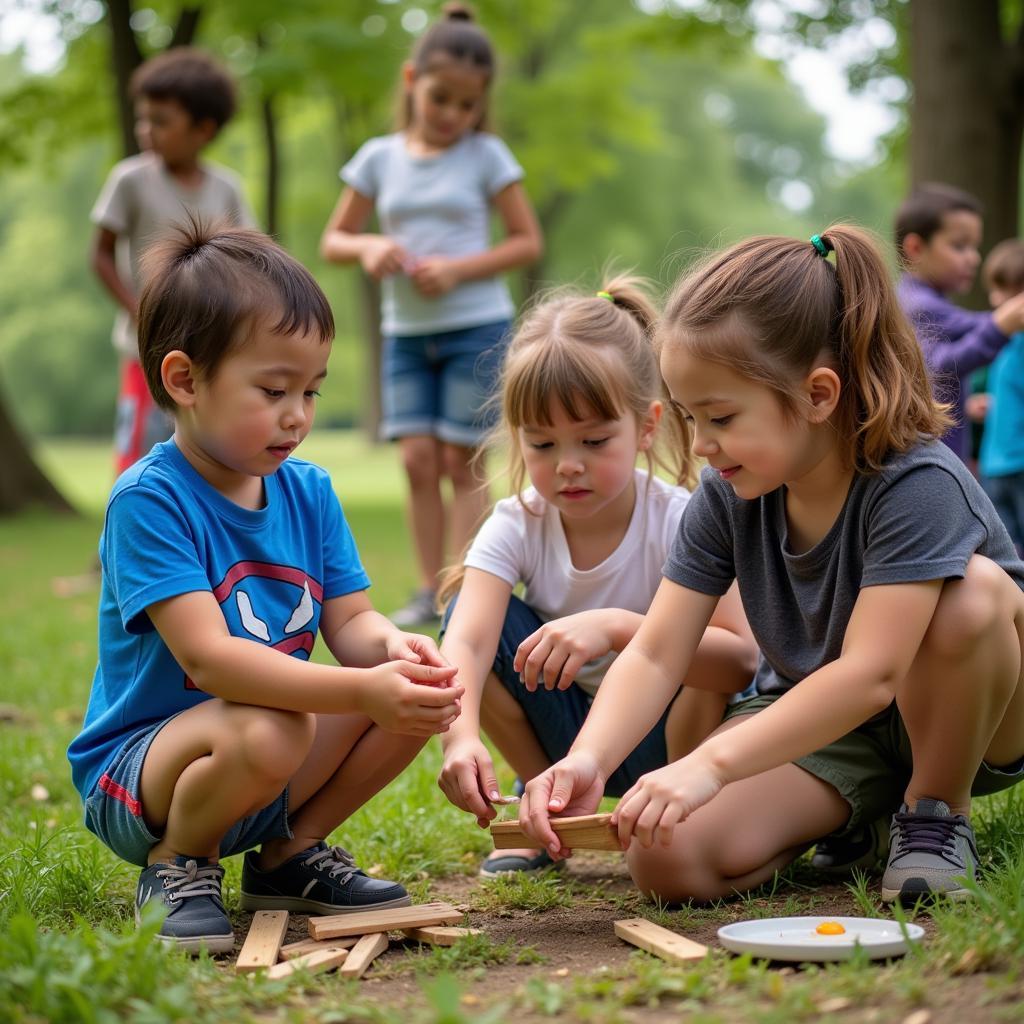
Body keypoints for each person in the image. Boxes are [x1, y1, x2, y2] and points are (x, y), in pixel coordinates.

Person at [519, 226, 1024, 905]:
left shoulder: (916, 484)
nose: (701, 445)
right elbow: (660, 652)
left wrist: (712, 764)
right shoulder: (728, 494)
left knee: (972, 595)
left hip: (973, 715)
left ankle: (935, 814)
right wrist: (590, 757)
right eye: (692, 418)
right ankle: (859, 818)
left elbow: (872, 675)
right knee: (665, 860)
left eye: (721, 417)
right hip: (825, 719)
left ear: (818, 396)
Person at [67, 221, 464, 953]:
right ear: (185, 380)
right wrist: (360, 690)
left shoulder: (308, 492)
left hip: (262, 753)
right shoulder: (150, 501)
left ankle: (289, 855)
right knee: (279, 720)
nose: (298, 416)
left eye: (310, 391)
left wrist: (392, 651)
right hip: (144, 773)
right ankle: (178, 862)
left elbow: (352, 622)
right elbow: (212, 662)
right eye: (274, 389)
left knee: (407, 694)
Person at [435, 277, 758, 877]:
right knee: (468, 614)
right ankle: (540, 808)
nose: (569, 465)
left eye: (593, 439)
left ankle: (674, 812)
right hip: (568, 735)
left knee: (700, 659)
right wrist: (460, 738)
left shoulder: (684, 517)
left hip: (673, 738)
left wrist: (617, 627)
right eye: (543, 443)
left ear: (646, 426)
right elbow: (470, 642)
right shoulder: (517, 524)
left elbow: (739, 661)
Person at [320, 3, 543, 627]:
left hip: (476, 325)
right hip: (407, 333)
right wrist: (371, 247)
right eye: (441, 98)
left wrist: (458, 269)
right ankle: (427, 587)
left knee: (461, 461)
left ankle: (468, 583)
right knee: (418, 460)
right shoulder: (378, 158)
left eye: (467, 105)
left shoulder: (486, 156)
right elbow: (336, 238)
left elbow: (525, 241)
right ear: (413, 81)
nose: (453, 115)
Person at [91, 47, 254, 478]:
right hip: (142, 348)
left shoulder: (226, 188)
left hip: (208, 347)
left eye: (161, 121)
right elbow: (100, 254)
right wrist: (137, 309)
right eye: (143, 119)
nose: (147, 130)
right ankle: (122, 539)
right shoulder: (130, 180)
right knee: (137, 449)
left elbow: (247, 259)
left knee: (201, 452)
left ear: (203, 129)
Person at [895, 183, 1024, 465]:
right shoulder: (919, 305)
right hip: (927, 460)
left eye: (974, 247)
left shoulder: (915, 301)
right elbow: (938, 366)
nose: (974, 258)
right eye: (959, 246)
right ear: (916, 247)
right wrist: (1000, 326)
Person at [978, 239, 1024, 552]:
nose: (995, 298)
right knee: (1003, 554)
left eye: (1004, 289)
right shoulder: (1005, 342)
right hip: (993, 465)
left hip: (1020, 463)